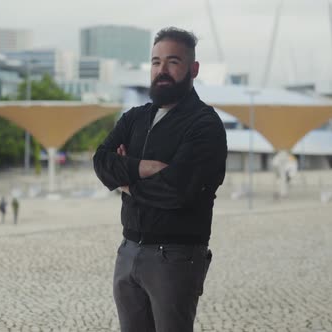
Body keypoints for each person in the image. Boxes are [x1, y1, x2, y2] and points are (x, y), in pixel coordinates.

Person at [93, 27, 227, 332]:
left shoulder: (205, 124)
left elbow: (178, 191)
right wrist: (148, 167)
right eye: (155, 62)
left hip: (176, 257)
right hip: (128, 250)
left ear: (193, 69)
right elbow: (101, 162)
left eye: (173, 62)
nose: (161, 70)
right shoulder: (135, 117)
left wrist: (125, 177)